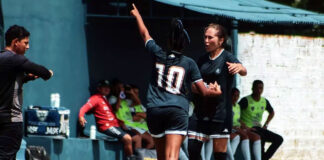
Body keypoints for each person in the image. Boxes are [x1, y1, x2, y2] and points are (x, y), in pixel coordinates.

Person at [130, 4, 222, 160]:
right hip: (176, 110)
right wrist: (217, 92)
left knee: (161, 157)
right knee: (172, 156)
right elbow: (204, 92)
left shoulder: (158, 53)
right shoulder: (189, 63)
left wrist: (137, 15)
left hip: (155, 109)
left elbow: (145, 34)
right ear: (184, 44)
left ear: (169, 42)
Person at [187, 23, 247, 160]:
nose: (206, 41)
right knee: (193, 151)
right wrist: (205, 90)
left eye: (210, 38)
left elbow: (244, 71)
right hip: (200, 113)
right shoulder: (202, 60)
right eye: (205, 37)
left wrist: (239, 67)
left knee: (219, 155)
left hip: (220, 114)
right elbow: (193, 85)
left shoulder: (227, 58)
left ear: (221, 40)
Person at [0, 25, 53, 159]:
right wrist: (48, 73)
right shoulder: (16, 59)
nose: (28, 47)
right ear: (15, 42)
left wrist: (27, 78)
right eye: (26, 43)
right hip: (11, 122)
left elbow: (7, 84)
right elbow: (42, 71)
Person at [79, 80, 141, 159]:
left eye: (108, 88)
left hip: (116, 126)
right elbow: (85, 108)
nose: (107, 89)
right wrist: (81, 116)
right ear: (99, 88)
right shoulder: (96, 98)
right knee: (127, 138)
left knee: (137, 137)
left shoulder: (105, 100)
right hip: (106, 127)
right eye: (104, 87)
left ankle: (139, 157)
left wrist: (120, 122)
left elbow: (111, 115)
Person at [239, 80, 283, 160]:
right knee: (260, 137)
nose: (259, 90)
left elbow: (272, 112)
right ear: (253, 88)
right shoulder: (246, 100)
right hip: (249, 129)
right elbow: (235, 114)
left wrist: (266, 124)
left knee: (279, 139)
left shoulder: (264, 101)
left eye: (261, 88)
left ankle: (264, 158)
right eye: (257, 88)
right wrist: (243, 126)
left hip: (259, 128)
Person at [113, 83, 154, 149]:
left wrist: (131, 92)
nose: (135, 95)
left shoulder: (130, 102)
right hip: (129, 126)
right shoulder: (117, 100)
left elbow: (139, 104)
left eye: (136, 93)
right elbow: (135, 117)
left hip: (142, 128)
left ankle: (143, 156)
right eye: (134, 92)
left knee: (155, 139)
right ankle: (141, 156)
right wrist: (121, 94)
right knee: (147, 139)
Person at [229, 88, 261, 160]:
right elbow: (226, 121)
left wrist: (247, 128)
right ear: (230, 96)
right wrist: (236, 128)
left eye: (237, 96)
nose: (236, 97)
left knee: (257, 137)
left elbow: (238, 119)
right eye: (234, 95)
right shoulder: (227, 106)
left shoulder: (237, 106)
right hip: (231, 128)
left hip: (238, 128)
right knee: (244, 136)